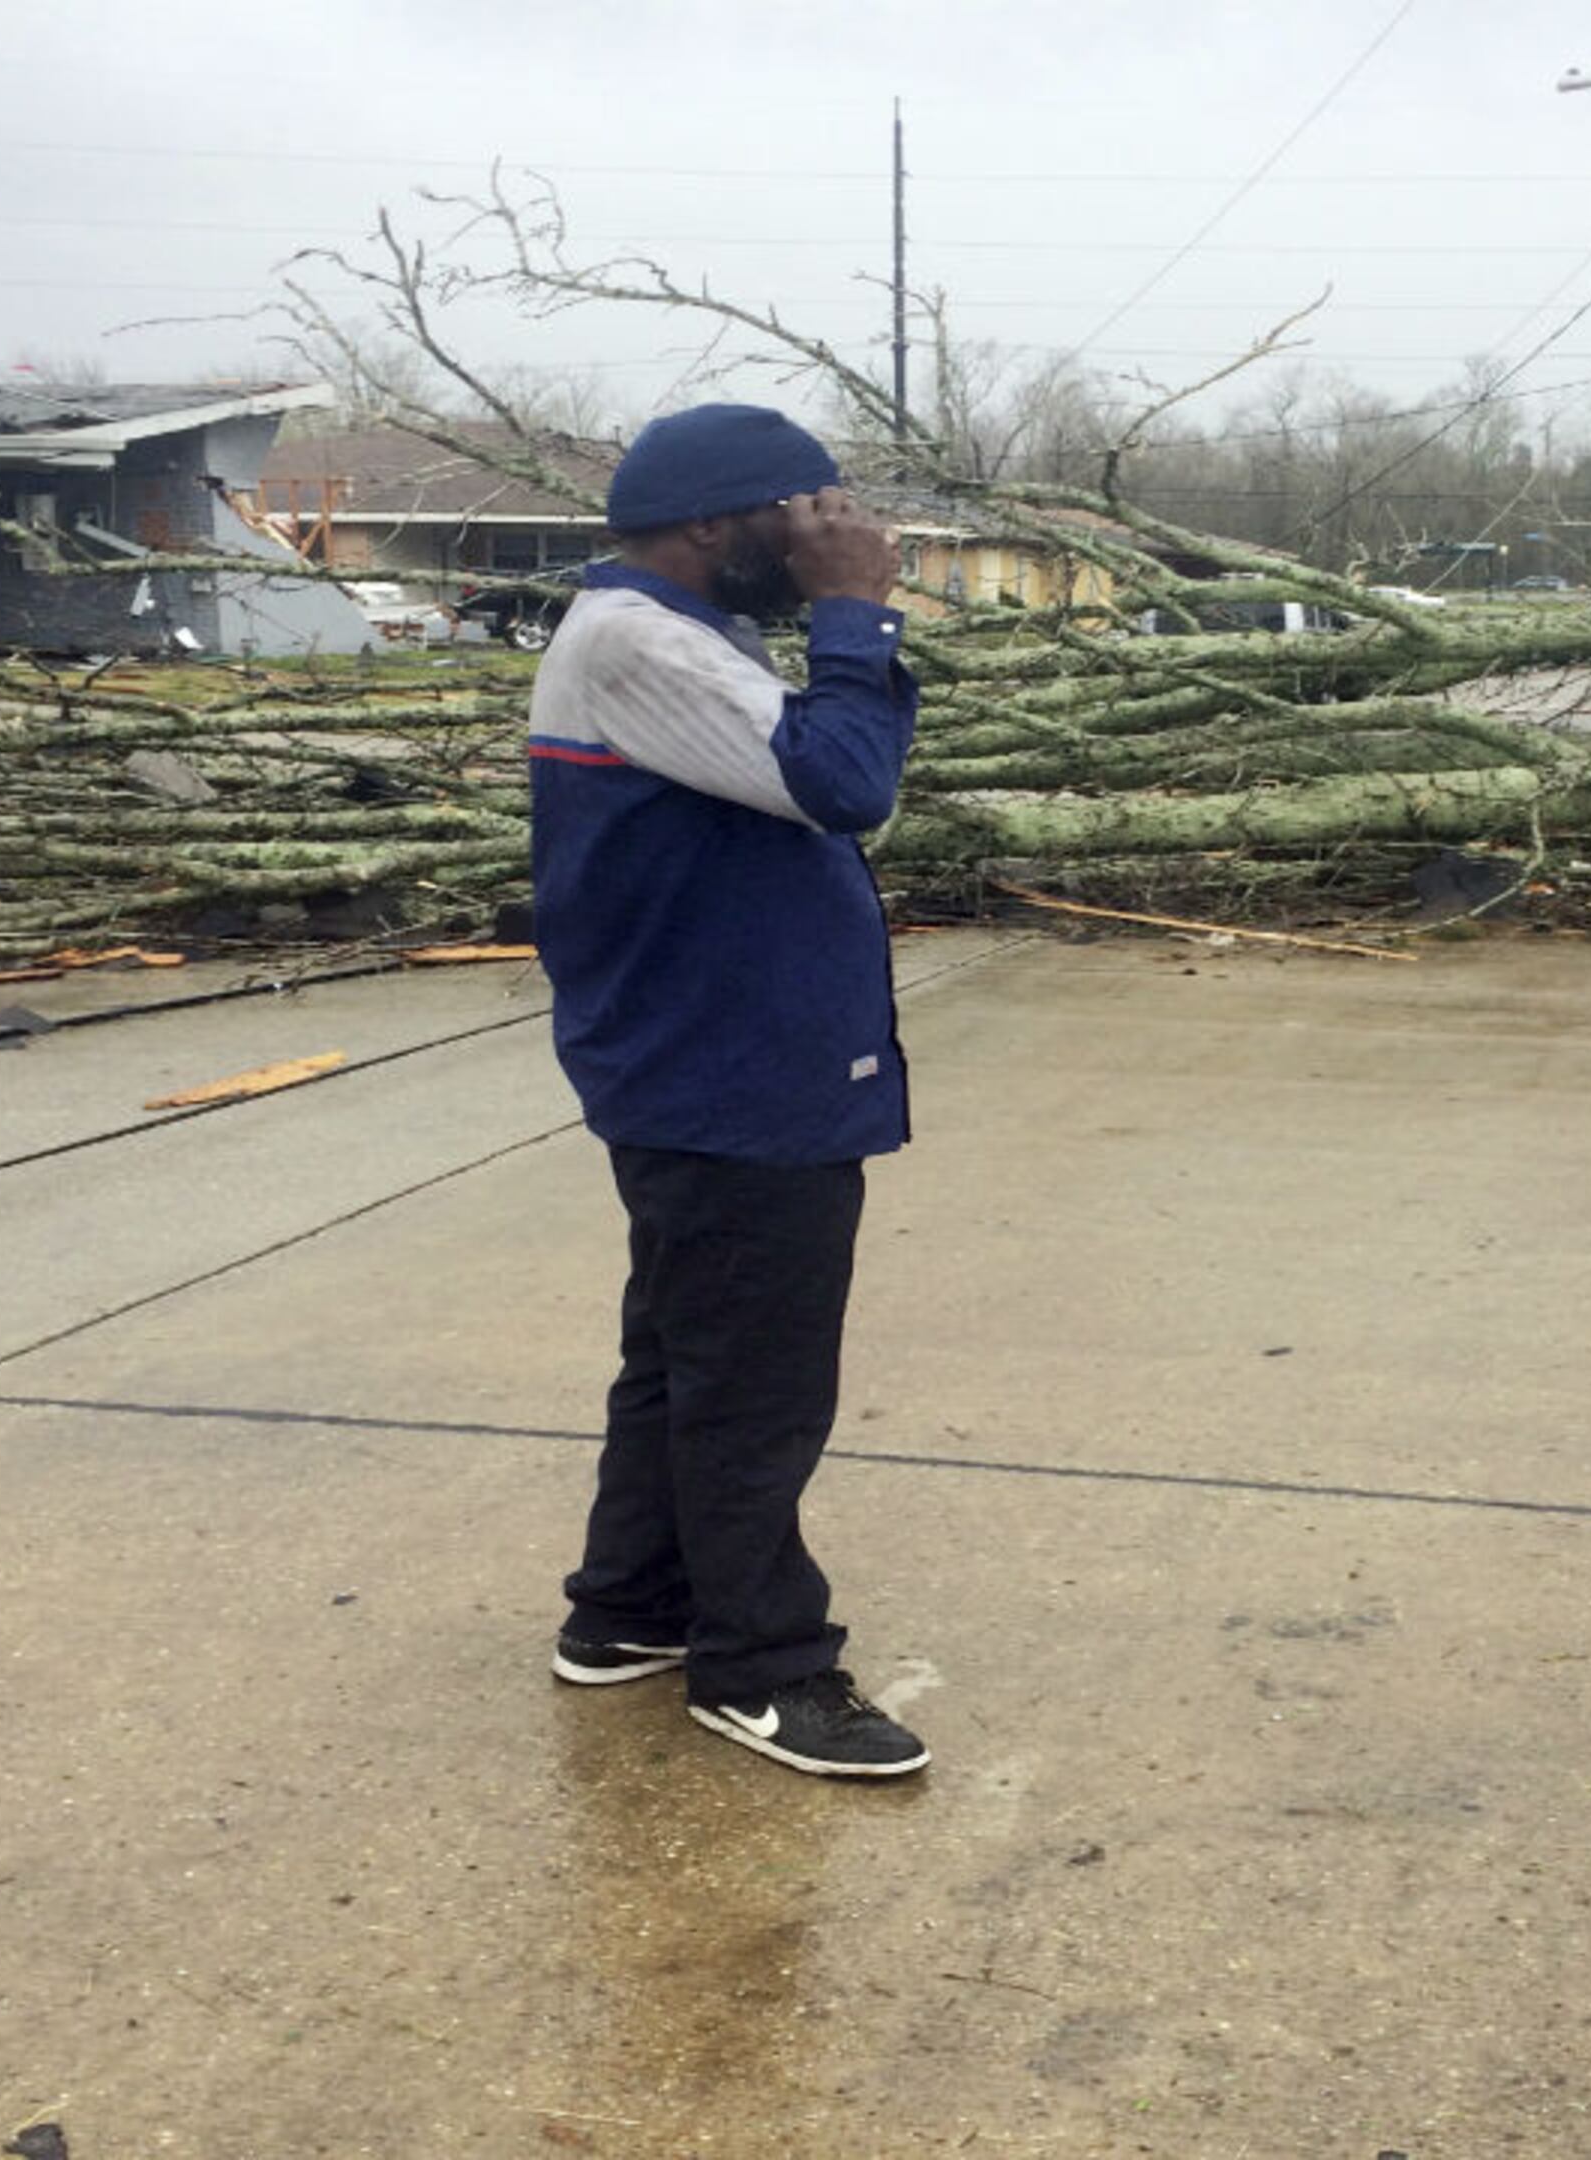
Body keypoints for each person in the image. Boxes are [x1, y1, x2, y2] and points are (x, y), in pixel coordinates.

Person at [524, 402, 929, 1779]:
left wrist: (846, 626)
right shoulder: (641, 640)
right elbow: (844, 780)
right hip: (727, 1072)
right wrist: (856, 612)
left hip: (711, 1062)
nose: (834, 531)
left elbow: (826, 764)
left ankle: (628, 1608)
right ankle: (759, 1665)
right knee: (755, 1386)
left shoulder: (670, 635)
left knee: (687, 1358)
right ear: (715, 523)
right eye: (806, 509)